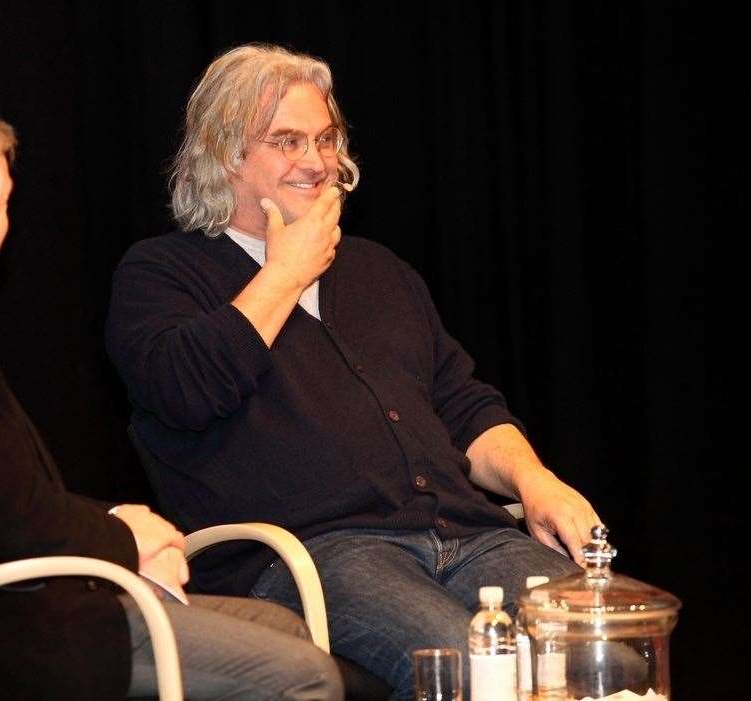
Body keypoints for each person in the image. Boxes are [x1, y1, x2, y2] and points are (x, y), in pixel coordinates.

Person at [0, 96, 342, 700]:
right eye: (6, 202)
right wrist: (126, 537)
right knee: (304, 675)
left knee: (284, 629)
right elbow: (13, 522)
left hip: (1, 602)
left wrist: (117, 530)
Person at [105, 44, 601, 699]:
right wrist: (286, 271)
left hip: (470, 537)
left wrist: (536, 483)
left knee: (607, 646)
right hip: (323, 554)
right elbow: (184, 388)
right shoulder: (162, 274)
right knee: (470, 665)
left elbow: (463, 406)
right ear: (225, 153)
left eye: (326, 138)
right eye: (287, 141)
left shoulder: (378, 272)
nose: (316, 161)